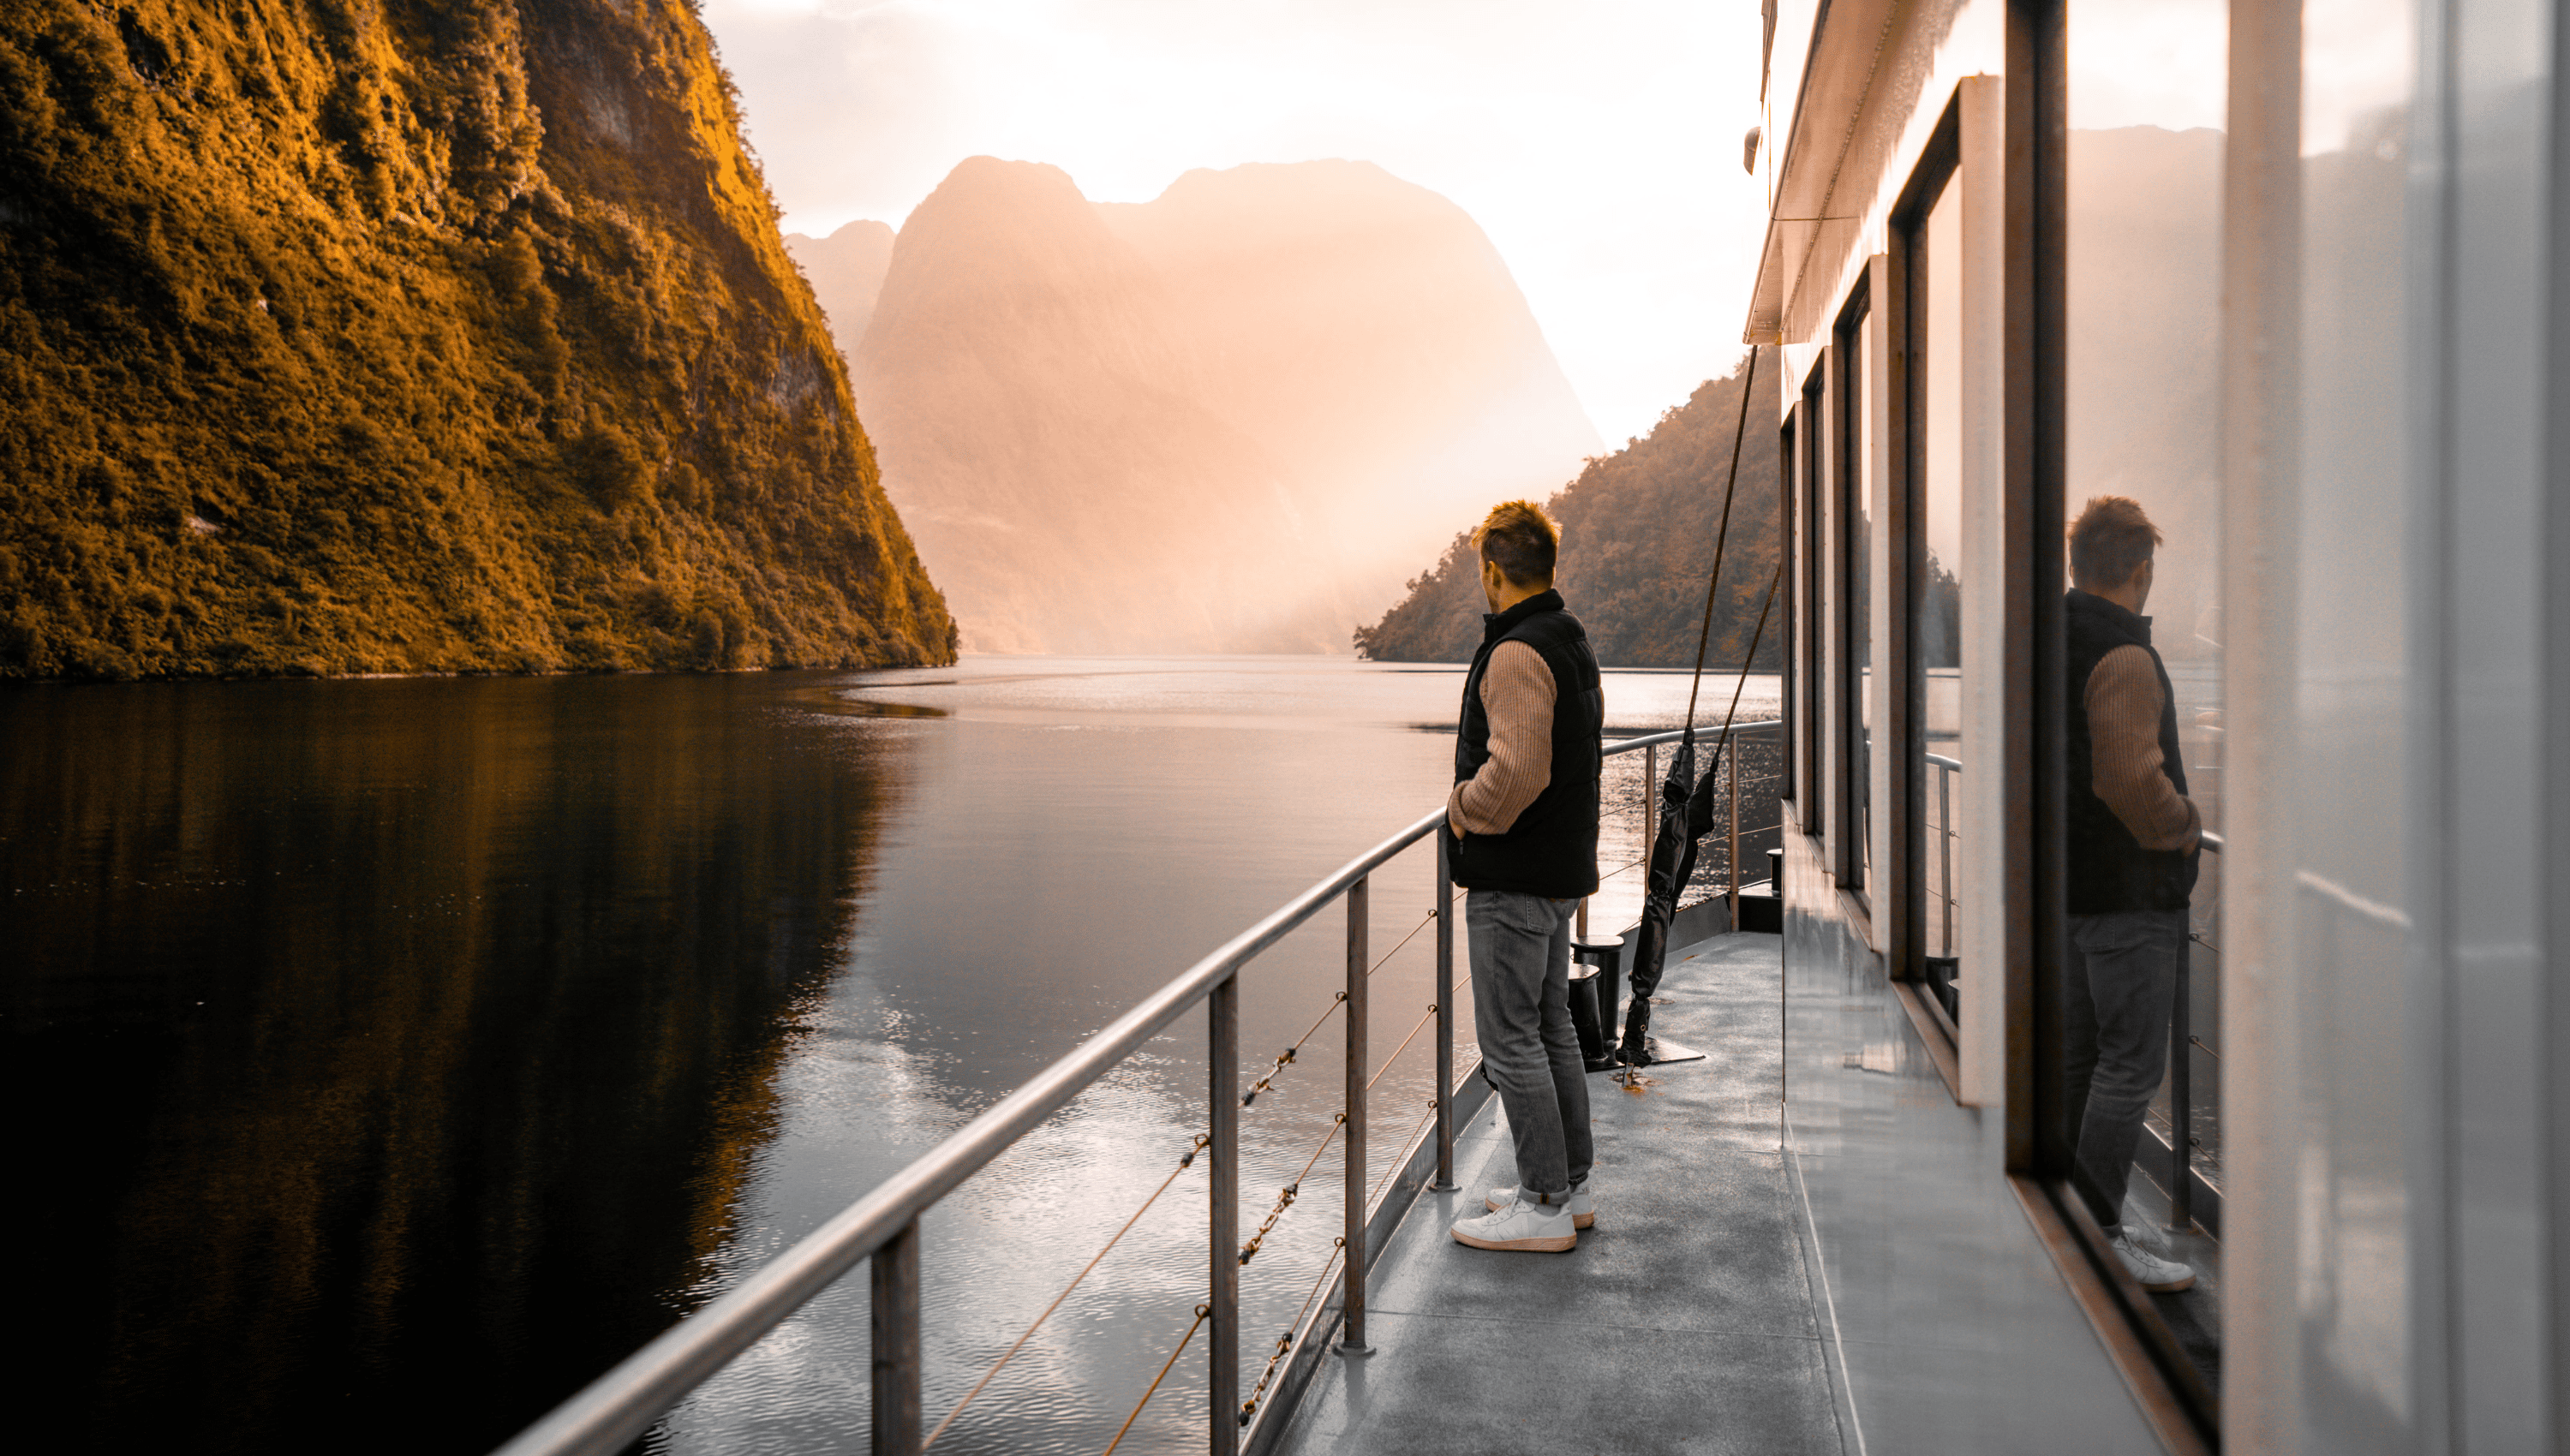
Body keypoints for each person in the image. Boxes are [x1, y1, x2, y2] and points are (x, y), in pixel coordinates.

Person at [1443, 500, 1605, 1254]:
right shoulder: (1568, 639)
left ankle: (1541, 1205)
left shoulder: (1514, 652)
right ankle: (1566, 1185)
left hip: (1515, 881)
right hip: (1559, 871)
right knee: (1551, 1030)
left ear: (1492, 571)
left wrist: (1460, 809)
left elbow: (1514, 774)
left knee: (1510, 1041)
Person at [2061, 496, 2202, 1293]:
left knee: (2084, 1058)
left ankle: (2084, 1214)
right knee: (2130, 1068)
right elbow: (2127, 780)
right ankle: (2104, 1233)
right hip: (2127, 898)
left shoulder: (2054, 639)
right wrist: (2186, 822)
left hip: (2075, 892)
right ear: (2141, 573)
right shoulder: (2123, 654)